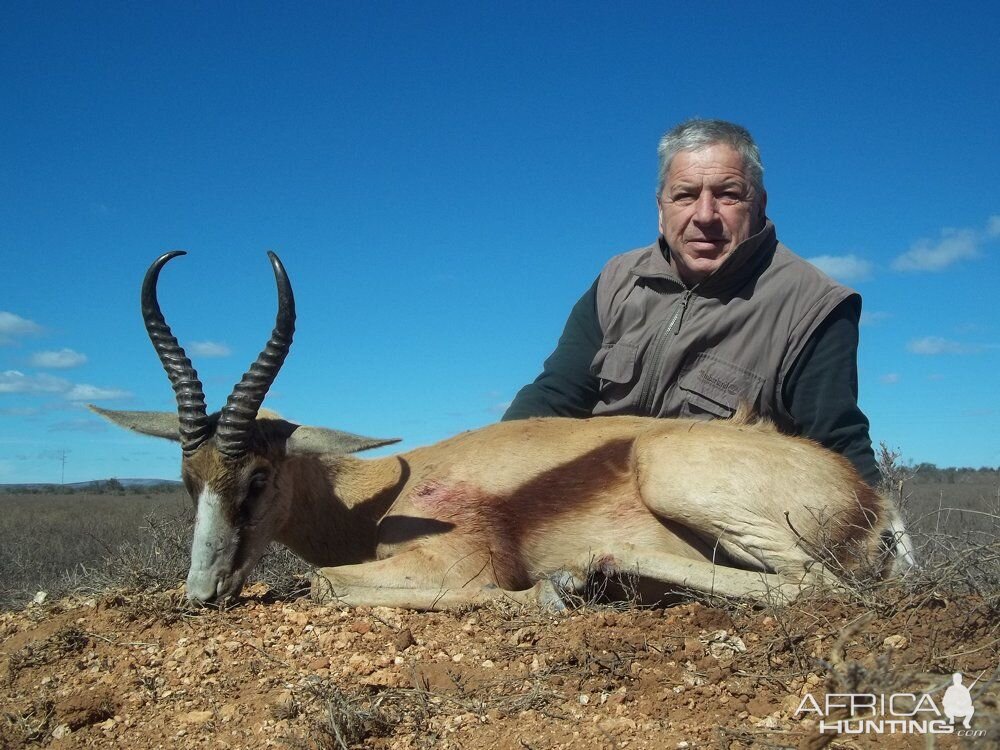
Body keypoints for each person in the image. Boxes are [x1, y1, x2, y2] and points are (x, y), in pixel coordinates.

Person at [503, 118, 880, 486]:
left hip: (711, 522)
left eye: (728, 194)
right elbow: (555, 396)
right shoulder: (618, 279)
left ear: (760, 204)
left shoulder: (814, 305)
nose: (704, 216)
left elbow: (837, 442)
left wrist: (877, 537)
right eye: (684, 195)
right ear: (660, 209)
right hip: (593, 503)